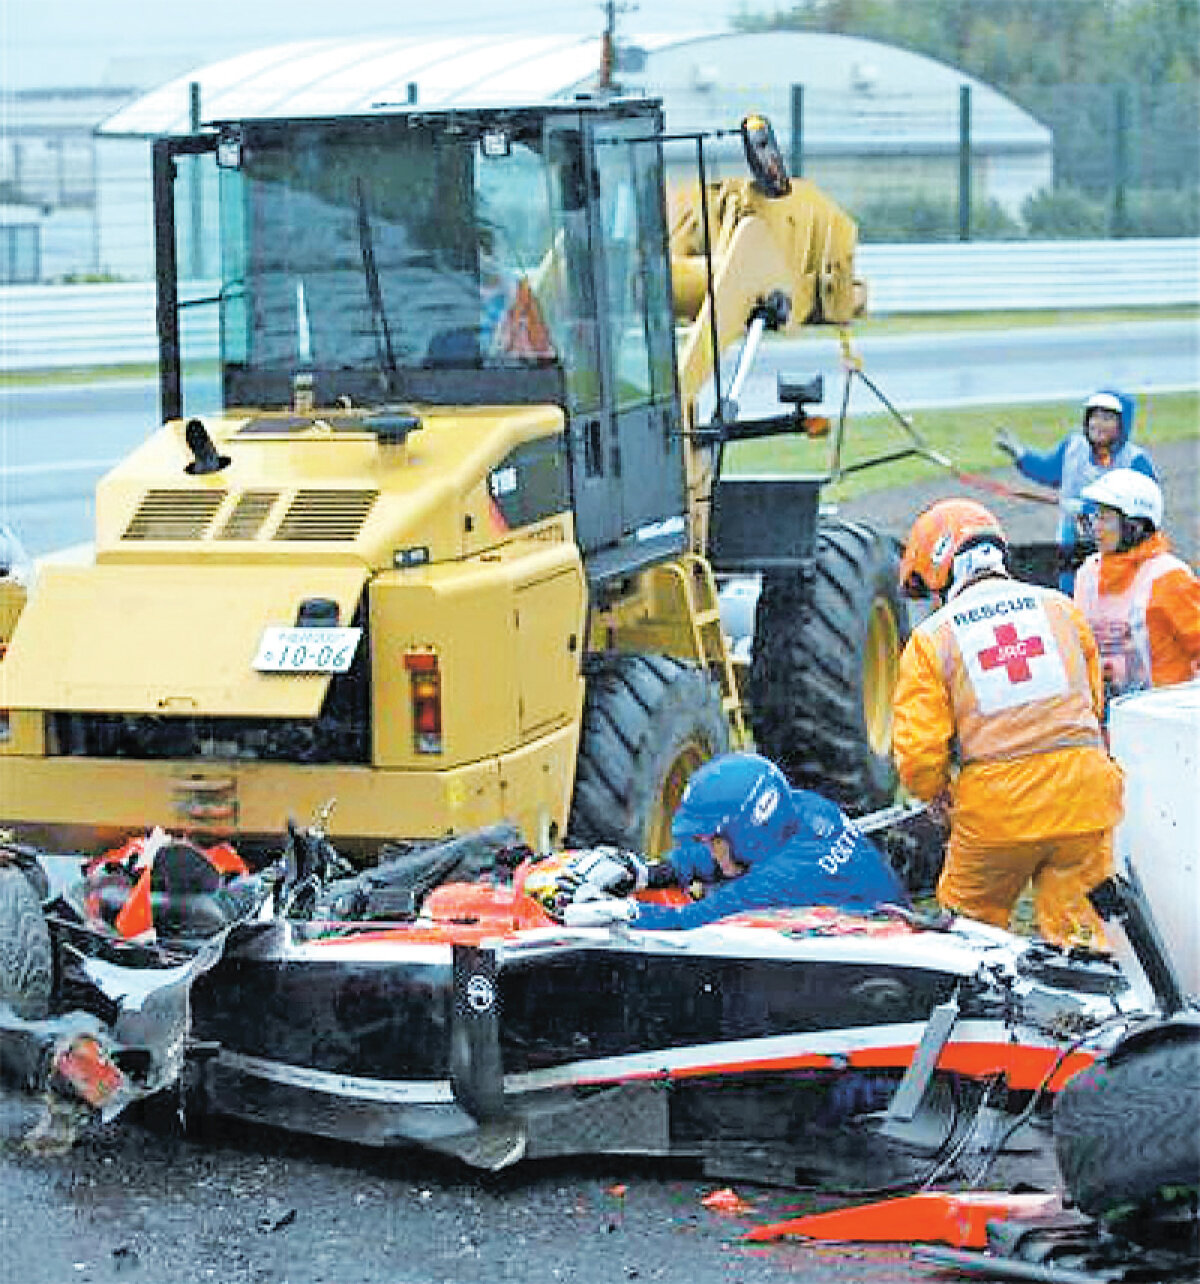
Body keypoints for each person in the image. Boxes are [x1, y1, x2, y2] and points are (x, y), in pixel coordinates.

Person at [892, 498, 1124, 949]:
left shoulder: (933, 637)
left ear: (942, 567)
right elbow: (1092, 705)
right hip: (1085, 797)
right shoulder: (1061, 608)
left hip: (998, 813)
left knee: (969, 940)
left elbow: (919, 752)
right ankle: (1095, 1012)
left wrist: (933, 792)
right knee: (1084, 938)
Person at [555, 752, 908, 929]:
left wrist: (621, 912)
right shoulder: (801, 806)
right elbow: (720, 857)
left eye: (713, 839)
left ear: (748, 835)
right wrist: (650, 874)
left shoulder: (781, 880)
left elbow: (688, 923)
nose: (708, 848)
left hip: (879, 959)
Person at [995, 389, 1156, 594]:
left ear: (1122, 424)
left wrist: (1087, 507)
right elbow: (1050, 472)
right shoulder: (1073, 447)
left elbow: (1144, 510)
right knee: (1070, 593)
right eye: (1094, 416)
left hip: (1117, 548)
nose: (1098, 423)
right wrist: (1021, 455)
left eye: (1107, 418)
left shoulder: (1136, 462)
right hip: (1071, 540)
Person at [1073, 469, 1200, 704]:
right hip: (1108, 717)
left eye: (1106, 518)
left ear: (1136, 526)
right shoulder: (1087, 574)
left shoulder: (1169, 577)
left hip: (1164, 717)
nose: (1097, 527)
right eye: (1096, 517)